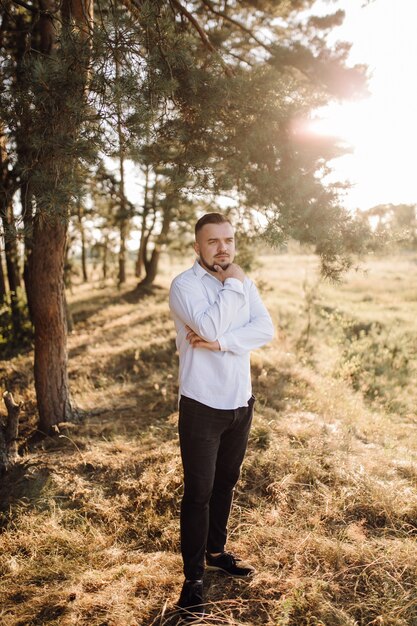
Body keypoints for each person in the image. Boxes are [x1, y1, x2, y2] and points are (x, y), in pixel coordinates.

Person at [169, 213, 274, 622]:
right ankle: (193, 580)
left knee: (226, 483)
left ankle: (216, 554)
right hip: (201, 404)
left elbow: (264, 329)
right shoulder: (186, 285)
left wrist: (222, 343)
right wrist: (233, 285)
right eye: (213, 241)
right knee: (199, 493)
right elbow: (208, 321)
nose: (223, 248)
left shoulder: (243, 282)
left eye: (228, 240)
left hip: (240, 401)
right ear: (197, 247)